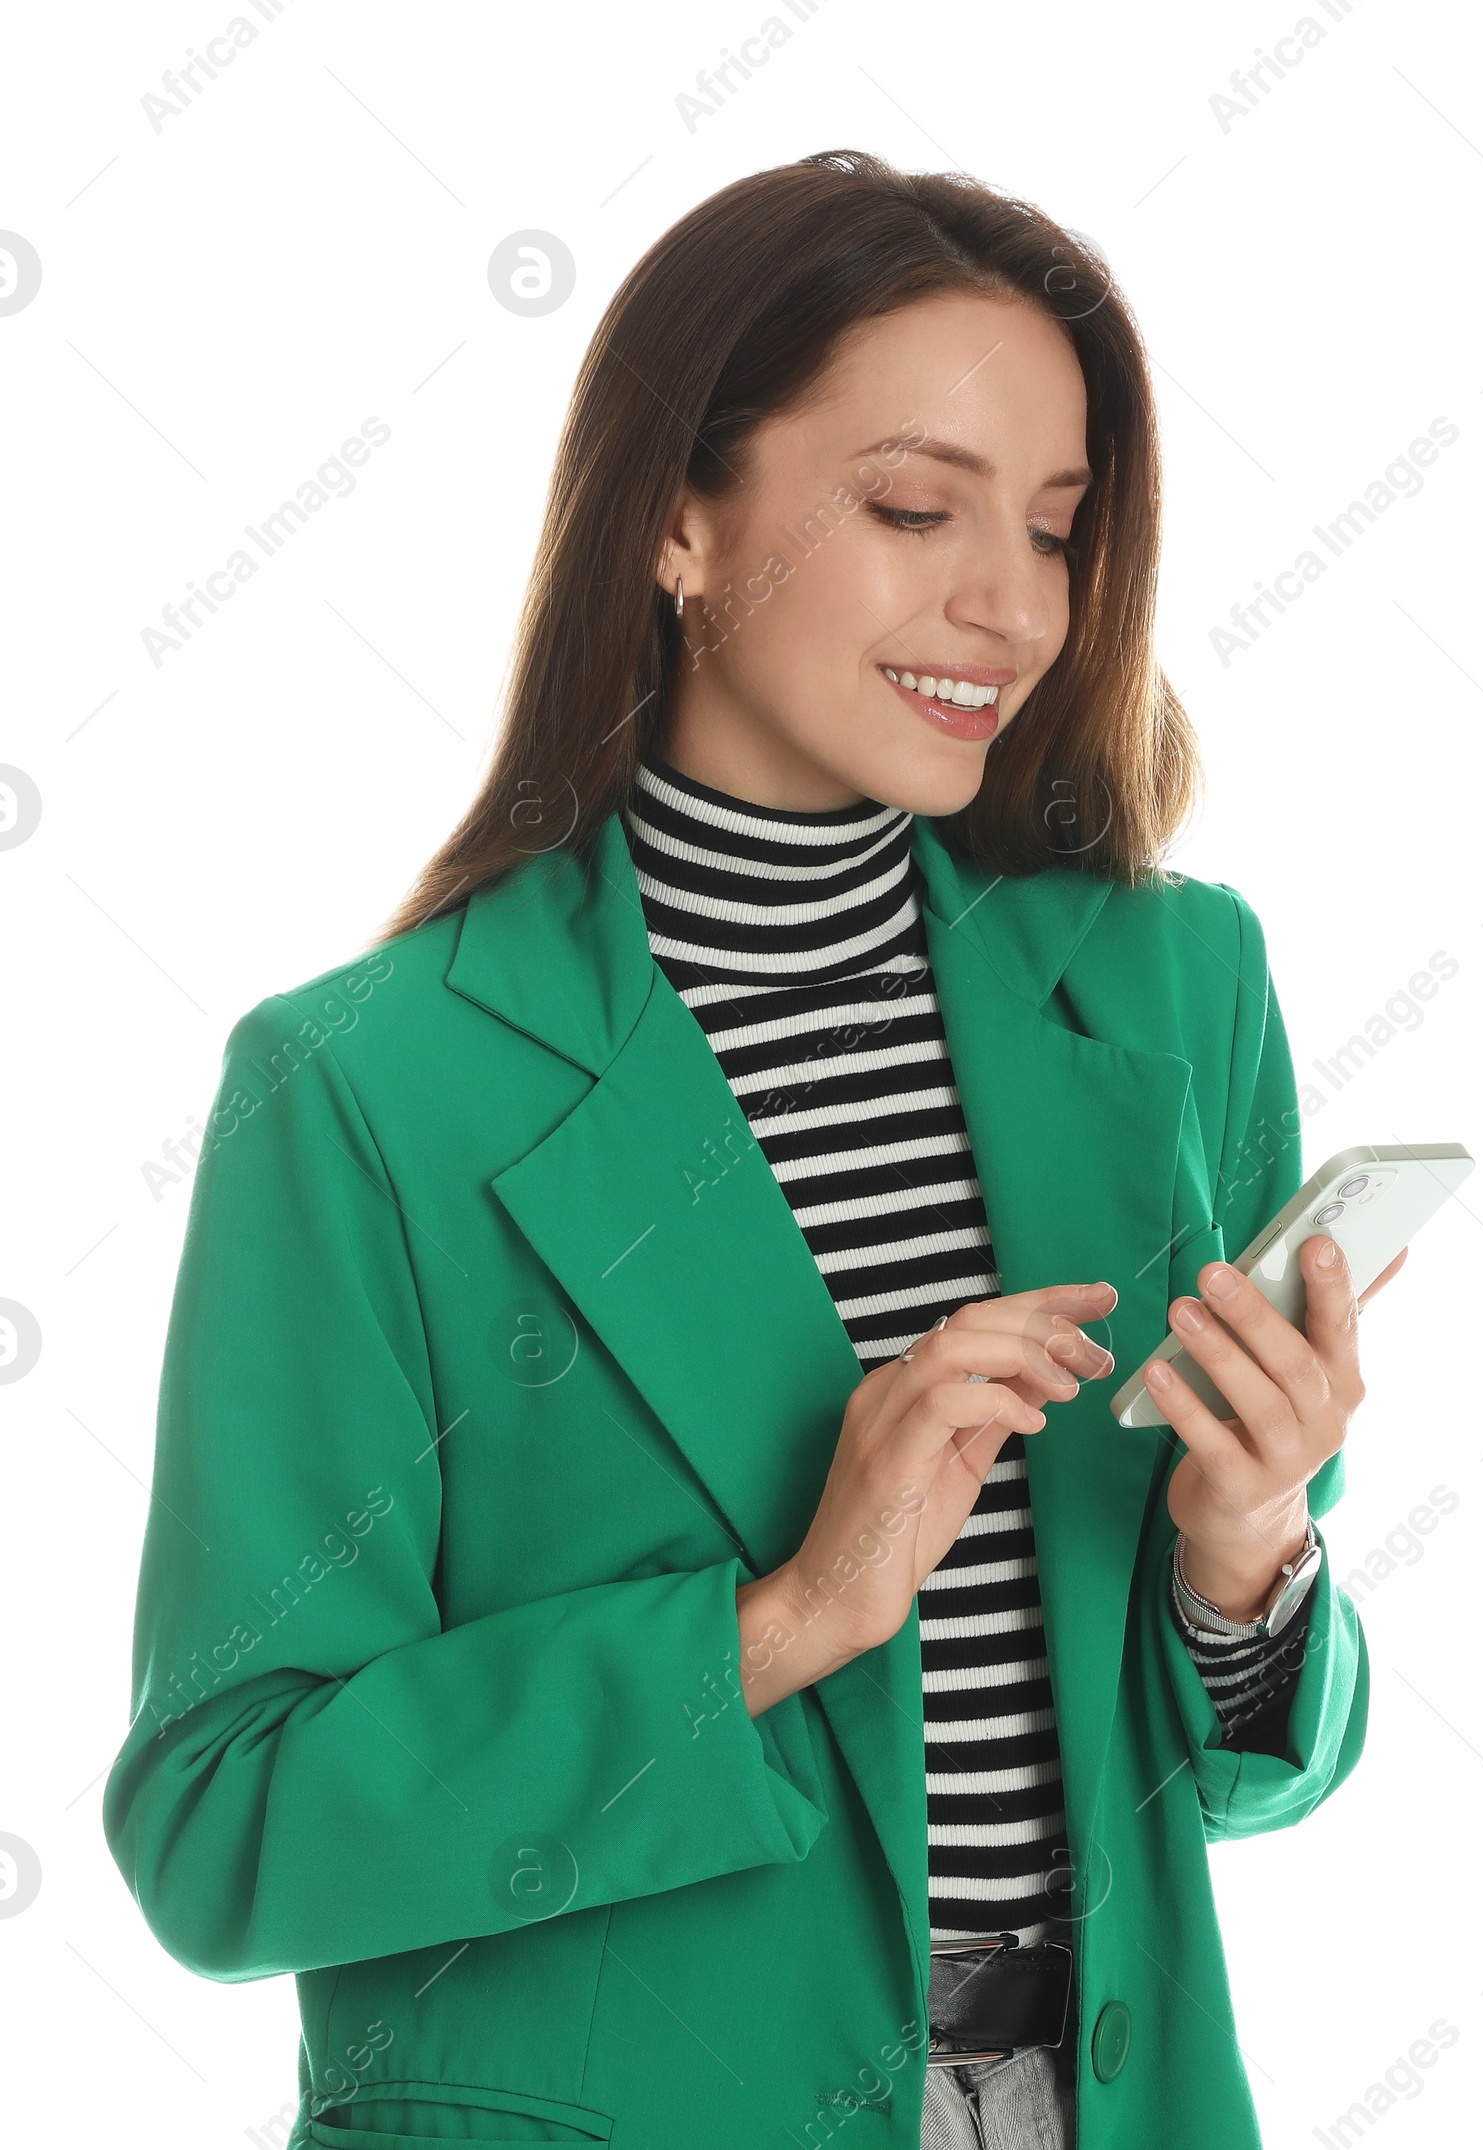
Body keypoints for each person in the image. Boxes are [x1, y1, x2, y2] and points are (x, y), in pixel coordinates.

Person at [104, 150, 1390, 2150]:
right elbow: (226, 1826)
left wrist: (1248, 1568)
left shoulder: (1168, 987)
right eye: (909, 507)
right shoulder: (369, 1088)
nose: (1010, 605)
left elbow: (1233, 1774)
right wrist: (781, 1617)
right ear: (678, 521)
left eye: (1056, 528)